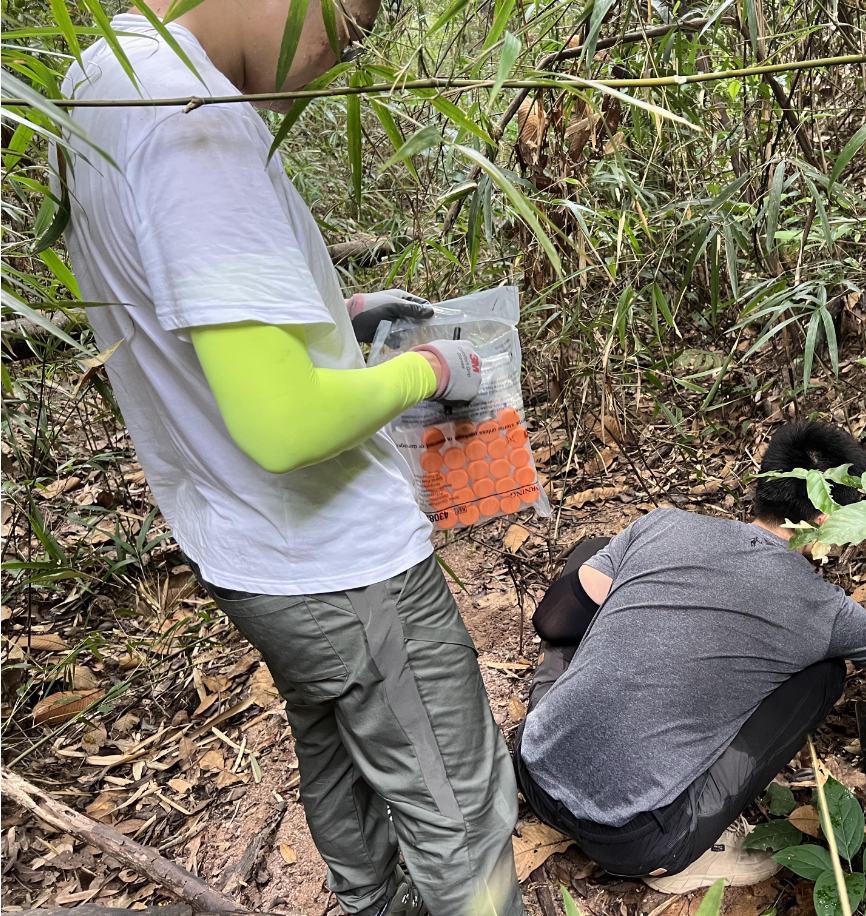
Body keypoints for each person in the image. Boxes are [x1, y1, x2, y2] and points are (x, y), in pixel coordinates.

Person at [58, 3, 521, 915]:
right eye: (348, 23)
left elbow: (176, 318)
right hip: (340, 559)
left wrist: (330, 322)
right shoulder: (198, 119)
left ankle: (368, 904)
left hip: (246, 551)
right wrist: (431, 366)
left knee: (339, 738)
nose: (340, 58)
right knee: (459, 810)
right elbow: (283, 425)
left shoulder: (97, 77)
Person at [514, 421, 866, 893]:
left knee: (598, 557)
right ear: (826, 517)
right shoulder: (822, 607)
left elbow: (552, 623)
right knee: (824, 674)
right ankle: (689, 857)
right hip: (634, 840)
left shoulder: (662, 524)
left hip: (532, 767)